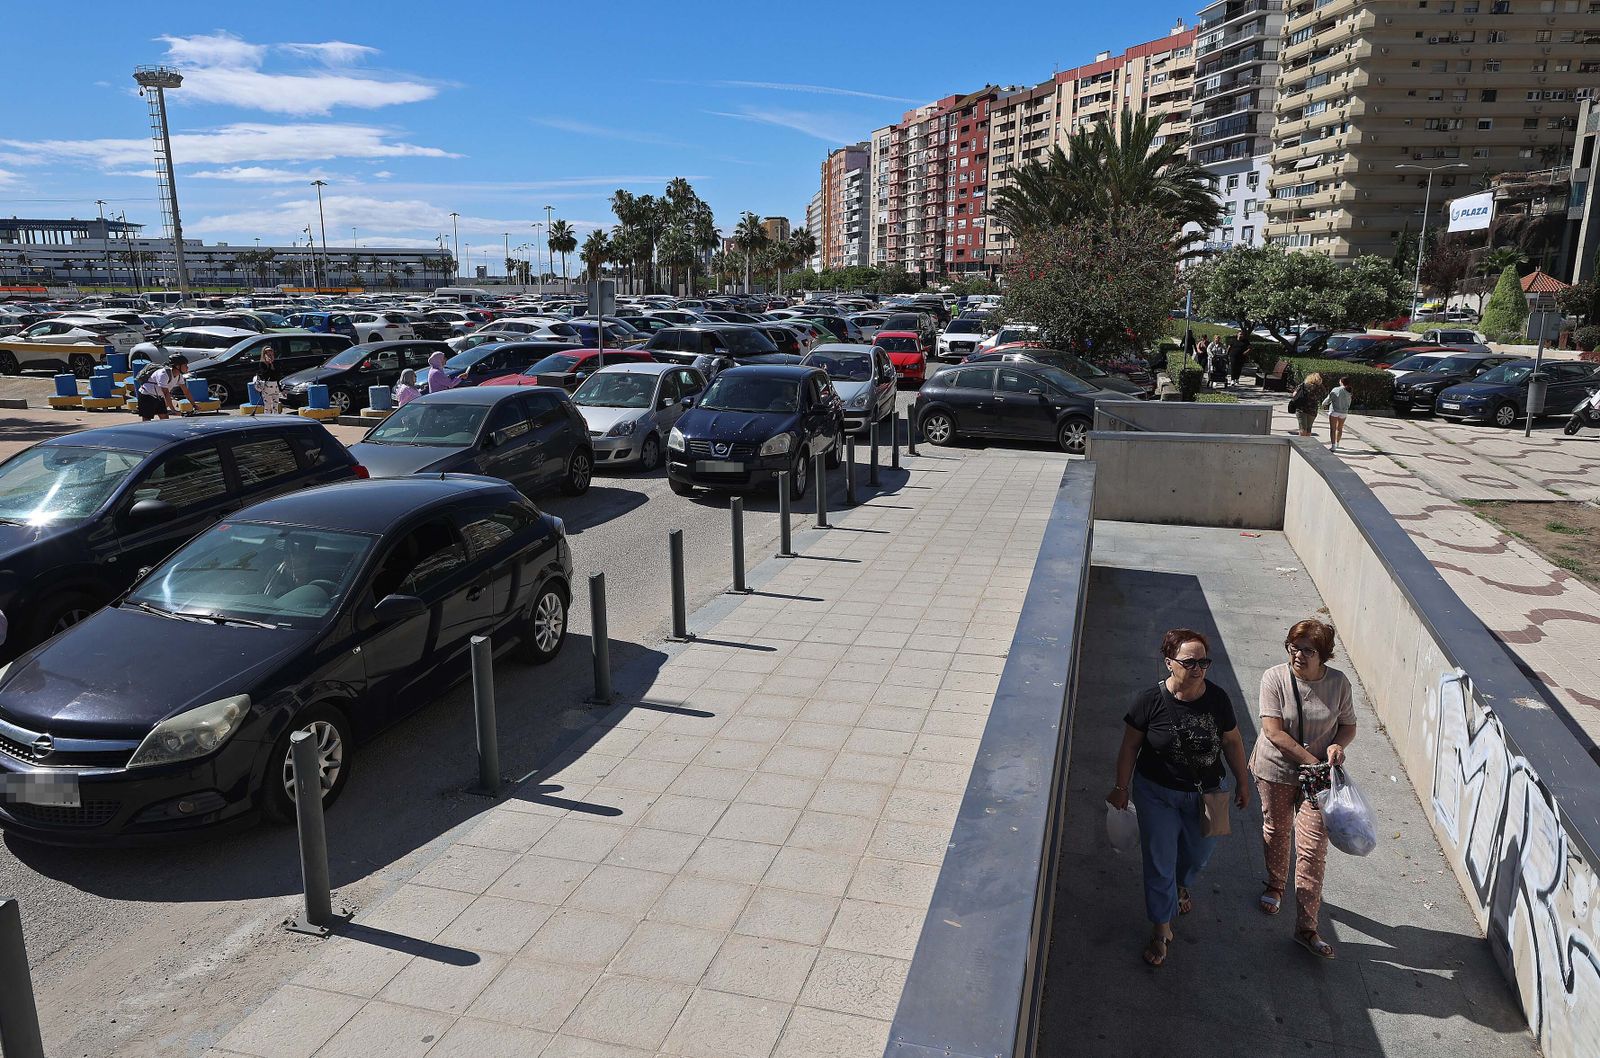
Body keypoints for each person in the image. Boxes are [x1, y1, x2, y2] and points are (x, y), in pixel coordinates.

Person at [1107, 628, 1250, 967]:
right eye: (1189, 662)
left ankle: (1182, 886)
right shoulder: (1149, 700)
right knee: (1159, 863)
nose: (1198, 668)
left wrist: (1243, 782)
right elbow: (1130, 746)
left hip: (1210, 793)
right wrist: (1121, 786)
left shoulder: (1218, 699)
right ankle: (1161, 928)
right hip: (1157, 794)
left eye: (1204, 662)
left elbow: (1232, 742)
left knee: (1198, 856)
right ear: (1169, 663)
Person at [1250, 619, 1356, 959]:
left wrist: (1337, 747)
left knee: (1312, 849)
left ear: (1324, 655)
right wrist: (1313, 760)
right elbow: (1274, 732)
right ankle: (1276, 883)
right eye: (1293, 647)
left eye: (1307, 650)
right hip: (1276, 770)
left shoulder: (1338, 683)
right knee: (1278, 830)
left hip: (1319, 780)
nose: (1297, 655)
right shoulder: (1274, 678)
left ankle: (1307, 927)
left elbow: (1348, 726)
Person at [136, 354, 191, 421]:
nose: (187, 367)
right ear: (177, 366)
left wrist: (194, 405)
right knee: (147, 419)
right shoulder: (163, 374)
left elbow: (186, 391)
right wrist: (173, 409)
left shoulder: (179, 376)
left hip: (159, 396)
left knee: (164, 417)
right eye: (185, 365)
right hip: (146, 395)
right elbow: (166, 393)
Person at [1322, 376, 1353, 451]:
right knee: (1340, 428)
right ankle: (1338, 443)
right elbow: (1349, 402)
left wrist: (1323, 404)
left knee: (1333, 429)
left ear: (1341, 382)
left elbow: (1329, 398)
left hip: (1334, 411)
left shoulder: (1336, 389)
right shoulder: (1349, 391)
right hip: (1344, 412)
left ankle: (1333, 446)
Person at [253, 344, 283, 415]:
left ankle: (276, 417)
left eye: (271, 351)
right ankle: (268, 417)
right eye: (267, 352)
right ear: (264, 354)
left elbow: (278, 375)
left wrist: (280, 388)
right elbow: (265, 374)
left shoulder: (275, 363)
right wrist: (269, 364)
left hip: (275, 385)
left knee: (275, 405)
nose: (269, 353)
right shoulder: (262, 363)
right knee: (268, 405)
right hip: (267, 385)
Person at [1288, 372, 1320, 438]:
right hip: (1313, 410)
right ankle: (1307, 444)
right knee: (1309, 428)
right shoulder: (1319, 388)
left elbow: (1294, 394)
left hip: (1301, 408)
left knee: (1302, 427)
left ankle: (1302, 444)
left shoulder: (1303, 385)